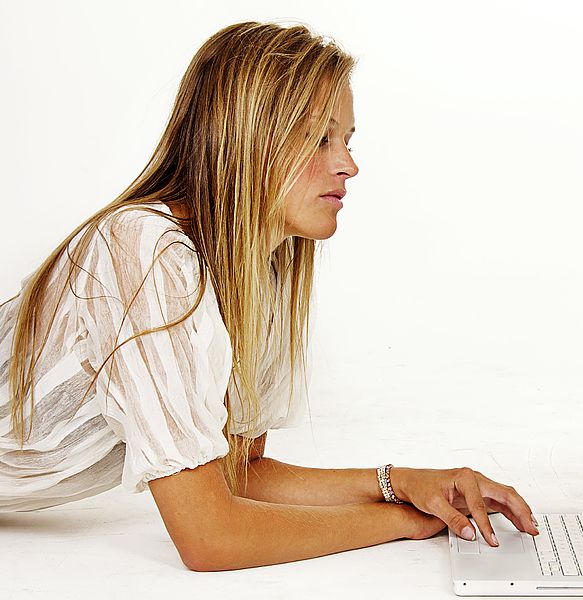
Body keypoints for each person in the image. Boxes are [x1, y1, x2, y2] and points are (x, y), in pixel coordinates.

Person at [0, 21, 540, 571]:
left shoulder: (260, 267)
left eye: (347, 141)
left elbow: (239, 472)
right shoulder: (144, 252)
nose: (348, 165)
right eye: (318, 138)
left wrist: (401, 484)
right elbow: (211, 537)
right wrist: (405, 522)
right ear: (247, 137)